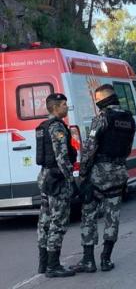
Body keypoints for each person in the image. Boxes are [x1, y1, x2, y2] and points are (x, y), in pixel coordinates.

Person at [72, 84, 136, 273]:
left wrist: (83, 175)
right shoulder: (128, 119)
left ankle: (88, 260)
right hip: (119, 171)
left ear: (102, 101)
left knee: (89, 214)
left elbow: (90, 148)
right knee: (112, 216)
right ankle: (106, 259)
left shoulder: (102, 118)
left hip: (99, 173)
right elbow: (128, 148)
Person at [36, 93, 77, 278]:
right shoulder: (57, 127)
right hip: (57, 179)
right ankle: (53, 266)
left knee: (44, 221)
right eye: (64, 104)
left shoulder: (42, 126)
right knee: (58, 222)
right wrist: (71, 180)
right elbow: (62, 157)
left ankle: (43, 264)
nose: (67, 107)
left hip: (45, 177)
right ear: (55, 107)